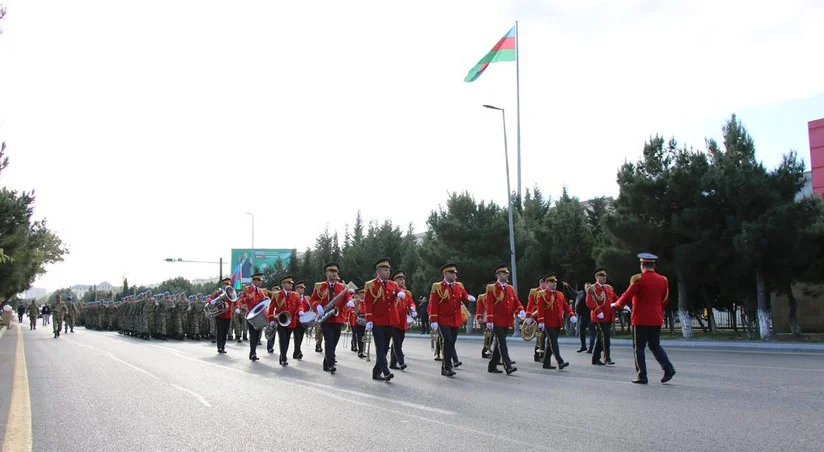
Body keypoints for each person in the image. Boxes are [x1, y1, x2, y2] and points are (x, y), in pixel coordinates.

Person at [612, 253, 676, 384]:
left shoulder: (638, 279)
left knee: (639, 347)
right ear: (653, 265)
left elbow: (626, 296)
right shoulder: (662, 280)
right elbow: (664, 299)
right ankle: (668, 368)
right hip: (656, 318)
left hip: (640, 319)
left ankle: (642, 375)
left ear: (642, 265)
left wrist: (617, 304)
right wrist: (657, 310)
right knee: (655, 346)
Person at [429, 263, 475, 377]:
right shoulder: (438, 286)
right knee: (447, 341)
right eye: (452, 273)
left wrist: (468, 297)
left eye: (455, 273)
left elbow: (463, 295)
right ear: (445, 274)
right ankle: (446, 367)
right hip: (443, 319)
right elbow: (433, 304)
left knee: (451, 343)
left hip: (455, 319)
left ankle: (447, 366)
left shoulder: (458, 286)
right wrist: (433, 319)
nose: (454, 275)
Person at [363, 258, 405, 381]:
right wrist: (369, 319)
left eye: (388, 270)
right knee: (380, 347)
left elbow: (397, 291)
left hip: (390, 321)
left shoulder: (393, 284)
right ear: (379, 271)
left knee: (385, 347)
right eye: (385, 270)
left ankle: (376, 372)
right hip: (377, 321)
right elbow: (368, 303)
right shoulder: (371, 285)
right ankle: (385, 371)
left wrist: (399, 293)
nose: (388, 272)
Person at [310, 262, 355, 373]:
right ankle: (330, 364)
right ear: (327, 273)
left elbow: (348, 296)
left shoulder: (343, 287)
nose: (334, 274)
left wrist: (350, 301)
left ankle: (326, 363)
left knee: (334, 341)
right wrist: (318, 306)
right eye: (332, 271)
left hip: (338, 317)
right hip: (325, 318)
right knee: (329, 341)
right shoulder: (319, 286)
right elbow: (312, 300)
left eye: (336, 272)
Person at [484, 264, 526, 375]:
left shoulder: (510, 288)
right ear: (498, 275)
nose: (507, 275)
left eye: (507, 273)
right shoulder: (492, 288)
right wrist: (489, 320)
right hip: (496, 321)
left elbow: (515, 301)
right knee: (502, 342)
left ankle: (492, 366)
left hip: (506, 320)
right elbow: (489, 305)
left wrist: (521, 309)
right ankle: (508, 366)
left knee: (498, 344)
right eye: (504, 273)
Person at [536, 273, 577, 370]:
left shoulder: (559, 294)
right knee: (553, 342)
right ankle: (560, 361)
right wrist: (541, 321)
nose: (554, 284)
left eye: (555, 282)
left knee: (550, 343)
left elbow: (566, 306)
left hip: (557, 322)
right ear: (546, 283)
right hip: (547, 323)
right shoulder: (542, 294)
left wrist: (571, 315)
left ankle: (546, 363)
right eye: (551, 282)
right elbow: (540, 308)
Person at [267, 275, 303, 365]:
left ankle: (283, 355)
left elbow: (300, 305)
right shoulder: (277, 294)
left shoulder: (295, 295)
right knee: (282, 339)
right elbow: (271, 308)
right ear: (283, 284)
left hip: (291, 321)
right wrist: (271, 319)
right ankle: (284, 358)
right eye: (288, 283)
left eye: (291, 283)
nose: (291, 284)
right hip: (280, 321)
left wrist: (301, 311)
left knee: (287, 340)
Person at [587, 268, 617, 366]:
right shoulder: (592, 288)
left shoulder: (609, 288)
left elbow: (615, 298)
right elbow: (589, 302)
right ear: (596, 277)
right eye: (601, 276)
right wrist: (598, 311)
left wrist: (622, 304)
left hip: (608, 316)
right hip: (598, 317)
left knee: (601, 338)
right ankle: (607, 357)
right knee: (606, 336)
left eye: (605, 276)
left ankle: (595, 358)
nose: (604, 278)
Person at [389, 269, 416, 371]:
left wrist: (413, 309)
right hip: (393, 320)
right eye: (400, 279)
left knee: (399, 342)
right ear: (395, 281)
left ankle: (392, 363)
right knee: (396, 342)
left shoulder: (407, 293)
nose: (402, 281)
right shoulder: (392, 291)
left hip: (403, 321)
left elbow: (411, 302)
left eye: (403, 279)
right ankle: (401, 362)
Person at [211, 278, 235, 354]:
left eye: (229, 284)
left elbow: (236, 301)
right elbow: (210, 299)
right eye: (226, 284)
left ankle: (223, 347)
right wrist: (211, 301)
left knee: (225, 332)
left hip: (228, 315)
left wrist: (237, 308)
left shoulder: (231, 293)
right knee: (220, 331)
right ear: (223, 285)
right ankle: (219, 347)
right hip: (219, 315)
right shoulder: (218, 293)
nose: (228, 286)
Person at [292, 281, 311, 360]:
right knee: (297, 337)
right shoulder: (294, 297)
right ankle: (297, 352)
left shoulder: (305, 299)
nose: (303, 289)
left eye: (303, 288)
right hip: (296, 320)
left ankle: (297, 351)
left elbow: (308, 307)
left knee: (301, 337)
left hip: (303, 321)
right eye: (301, 287)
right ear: (296, 288)